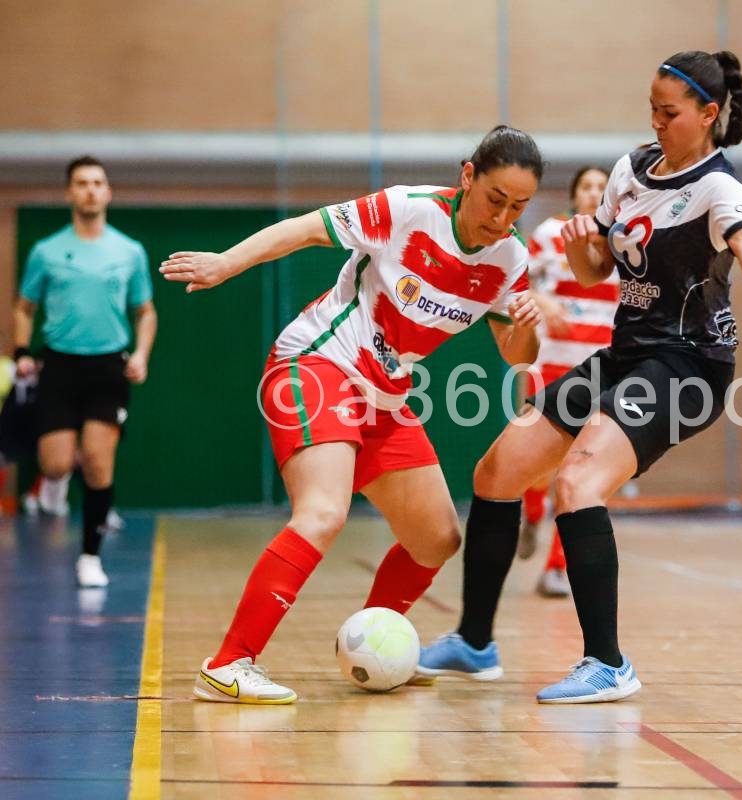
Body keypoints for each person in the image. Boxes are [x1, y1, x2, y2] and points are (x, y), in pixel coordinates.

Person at [417, 51, 742, 703]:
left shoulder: (720, 190)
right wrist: (578, 243)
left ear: (708, 115)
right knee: (498, 470)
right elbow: (597, 268)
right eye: (651, 109)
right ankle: (474, 643)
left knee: (577, 482)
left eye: (670, 112)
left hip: (688, 367)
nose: (656, 121)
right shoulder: (631, 170)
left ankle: (607, 663)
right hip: (626, 354)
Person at [161, 125, 544, 704]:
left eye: (518, 206)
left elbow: (516, 355)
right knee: (322, 512)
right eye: (495, 199)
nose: (502, 217)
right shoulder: (408, 209)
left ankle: (374, 643)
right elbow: (304, 230)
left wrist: (526, 331)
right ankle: (228, 664)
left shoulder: (511, 258)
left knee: (436, 539)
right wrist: (226, 264)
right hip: (318, 364)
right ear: (468, 176)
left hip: (385, 398)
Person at [13, 156, 157, 588]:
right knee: (56, 463)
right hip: (58, 364)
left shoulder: (129, 251)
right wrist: (21, 350)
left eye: (98, 182)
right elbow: (24, 308)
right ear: (69, 193)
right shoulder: (46, 252)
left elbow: (145, 311)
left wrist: (142, 354)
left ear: (108, 192)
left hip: (107, 367)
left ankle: (90, 557)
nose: (91, 189)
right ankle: (51, 486)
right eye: (81, 183)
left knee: (97, 463)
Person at [516, 166, 615, 598]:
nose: (594, 193)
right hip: (549, 363)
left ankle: (556, 567)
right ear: (575, 194)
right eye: (587, 186)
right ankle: (531, 512)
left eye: (601, 187)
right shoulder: (550, 232)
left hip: (598, 368)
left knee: (576, 469)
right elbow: (519, 285)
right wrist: (540, 300)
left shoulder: (620, 240)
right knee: (535, 466)